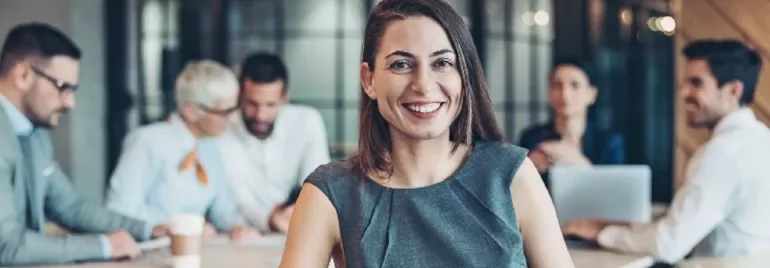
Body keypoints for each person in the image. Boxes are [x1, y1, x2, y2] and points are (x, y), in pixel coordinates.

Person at [279, 1, 573, 267]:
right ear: (369, 80)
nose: (423, 84)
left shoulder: (511, 175)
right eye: (401, 64)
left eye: (442, 63)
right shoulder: (329, 193)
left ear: (464, 76)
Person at [563, 39, 770, 264]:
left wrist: (601, 234)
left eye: (696, 83)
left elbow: (669, 244)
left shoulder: (723, 153)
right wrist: (613, 226)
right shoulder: (761, 139)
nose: (683, 93)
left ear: (733, 90)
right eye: (684, 83)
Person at [0, 23, 166, 266]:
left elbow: (70, 206)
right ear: (23, 75)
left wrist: (149, 230)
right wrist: (104, 246)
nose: (70, 103)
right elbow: (6, 246)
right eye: (63, 88)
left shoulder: (34, 133)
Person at [106, 60, 257, 240]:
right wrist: (172, 229)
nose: (232, 119)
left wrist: (236, 226)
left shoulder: (210, 146)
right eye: (224, 112)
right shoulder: (147, 142)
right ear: (191, 111)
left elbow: (222, 208)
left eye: (234, 109)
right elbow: (119, 212)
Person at [218, 52, 330, 234]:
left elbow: (317, 184)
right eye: (252, 104)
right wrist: (269, 219)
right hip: (243, 233)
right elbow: (237, 196)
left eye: (270, 105)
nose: (260, 115)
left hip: (296, 225)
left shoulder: (307, 121)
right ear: (239, 96)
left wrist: (291, 211)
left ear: (285, 97)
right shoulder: (223, 129)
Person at [519, 58, 624, 187]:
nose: (565, 94)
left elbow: (615, 191)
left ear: (592, 94)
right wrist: (528, 169)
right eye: (557, 85)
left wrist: (579, 163)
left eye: (575, 85)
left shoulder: (609, 142)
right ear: (549, 92)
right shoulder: (532, 138)